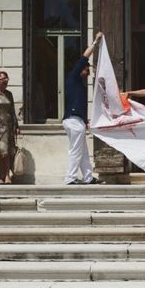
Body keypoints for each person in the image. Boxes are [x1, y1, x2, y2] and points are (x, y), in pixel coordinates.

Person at [63, 32, 104, 185]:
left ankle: (87, 177)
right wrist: (95, 42)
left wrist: (85, 119)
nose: (88, 72)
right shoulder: (73, 77)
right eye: (87, 69)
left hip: (77, 120)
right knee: (76, 150)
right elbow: (84, 58)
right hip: (73, 120)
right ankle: (70, 178)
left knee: (83, 151)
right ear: (81, 69)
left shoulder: (79, 84)